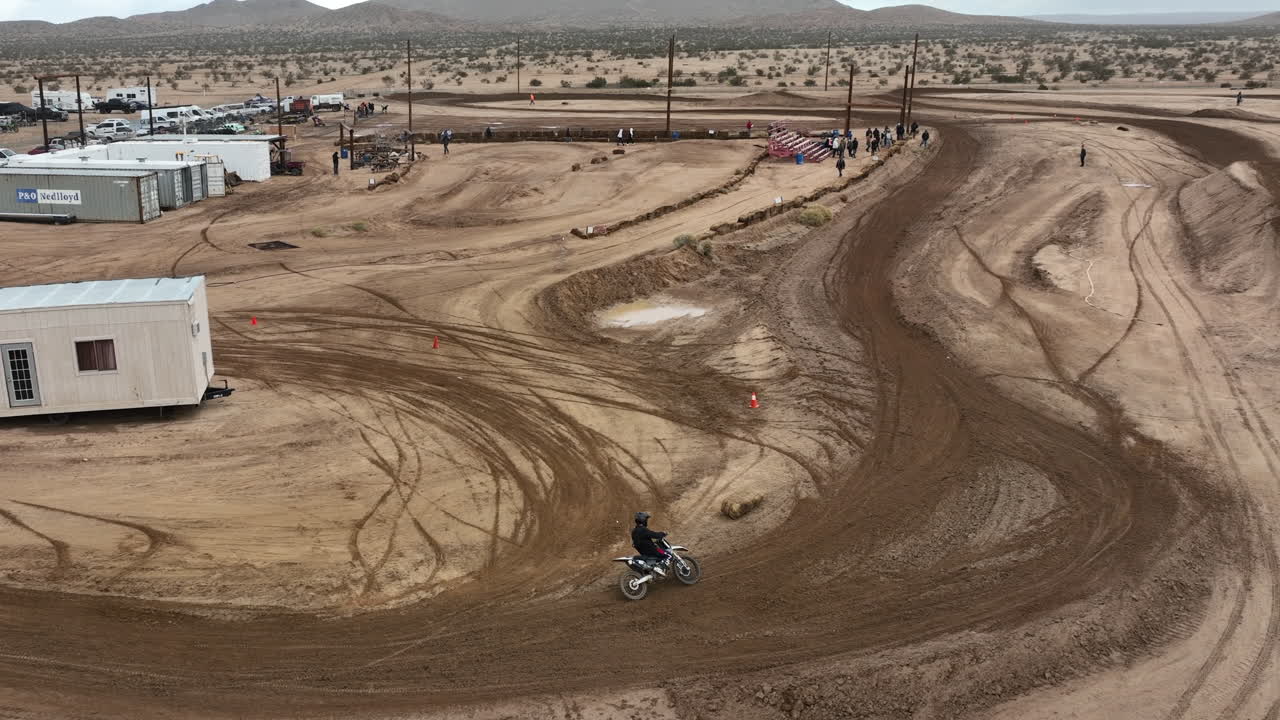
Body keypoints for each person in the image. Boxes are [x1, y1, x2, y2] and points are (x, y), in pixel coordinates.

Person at [631, 511, 670, 576]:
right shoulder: (643, 530)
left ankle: (657, 567)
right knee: (669, 555)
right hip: (653, 551)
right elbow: (654, 534)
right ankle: (661, 569)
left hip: (644, 552)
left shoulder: (634, 531)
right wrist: (663, 533)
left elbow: (641, 540)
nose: (646, 521)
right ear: (643, 520)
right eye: (646, 519)